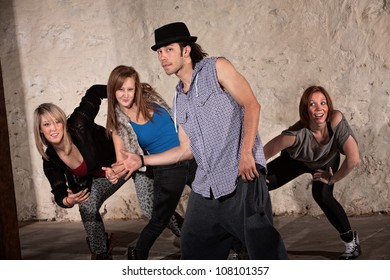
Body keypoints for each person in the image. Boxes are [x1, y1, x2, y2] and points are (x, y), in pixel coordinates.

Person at [112, 22, 288, 260]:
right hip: (206, 187)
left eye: (169, 49)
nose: (163, 57)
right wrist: (142, 160)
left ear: (186, 50)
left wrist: (246, 153)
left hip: (241, 176)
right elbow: (185, 150)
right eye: (159, 52)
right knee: (193, 250)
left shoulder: (216, 68)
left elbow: (251, 105)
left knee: (264, 251)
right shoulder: (179, 99)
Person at [104, 65, 197, 259]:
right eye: (120, 90)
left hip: (191, 155)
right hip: (167, 167)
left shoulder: (151, 100)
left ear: (136, 88)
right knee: (159, 220)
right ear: (113, 91)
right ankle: (137, 255)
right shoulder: (118, 125)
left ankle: (240, 248)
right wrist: (113, 172)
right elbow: (122, 161)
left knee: (217, 204)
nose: (126, 95)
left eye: (130, 89)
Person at [263, 85, 361, 260]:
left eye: (323, 103)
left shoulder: (335, 120)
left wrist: (331, 179)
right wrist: (250, 172)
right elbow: (264, 153)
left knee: (322, 194)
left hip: (325, 161)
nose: (319, 109)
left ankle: (351, 242)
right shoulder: (295, 135)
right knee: (258, 184)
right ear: (305, 109)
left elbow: (353, 159)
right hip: (296, 161)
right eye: (312, 104)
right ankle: (249, 243)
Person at [33, 84, 127, 259]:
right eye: (47, 124)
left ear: (63, 121)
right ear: (40, 130)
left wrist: (124, 93)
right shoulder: (50, 159)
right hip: (102, 176)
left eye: (57, 121)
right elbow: (60, 192)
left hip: (126, 160)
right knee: (86, 205)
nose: (53, 128)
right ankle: (101, 253)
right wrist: (69, 200)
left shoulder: (78, 123)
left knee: (153, 208)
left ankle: (190, 240)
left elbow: (95, 92)